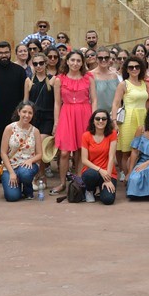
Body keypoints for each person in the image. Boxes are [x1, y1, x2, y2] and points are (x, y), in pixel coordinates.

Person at [50, 50, 96, 194]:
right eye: (73, 60)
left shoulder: (88, 78)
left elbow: (94, 99)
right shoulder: (59, 79)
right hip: (66, 114)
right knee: (64, 152)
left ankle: (78, 181)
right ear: (67, 61)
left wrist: (94, 119)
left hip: (85, 113)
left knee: (81, 150)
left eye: (78, 61)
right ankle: (62, 183)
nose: (75, 63)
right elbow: (57, 103)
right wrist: (56, 122)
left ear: (82, 63)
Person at [0, 42, 28, 181]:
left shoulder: (19, 71)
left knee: (13, 146)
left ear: (10, 53)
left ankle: (13, 174)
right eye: (0, 53)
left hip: (14, 116)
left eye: (6, 52)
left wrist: (20, 113)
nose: (3, 55)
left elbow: (24, 95)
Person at [112, 56, 149, 181]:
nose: (134, 69)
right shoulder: (123, 84)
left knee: (140, 149)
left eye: (137, 67)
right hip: (128, 119)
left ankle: (137, 175)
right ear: (127, 69)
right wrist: (114, 121)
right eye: (131, 67)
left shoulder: (143, 83)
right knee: (127, 150)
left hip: (143, 117)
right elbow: (116, 103)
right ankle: (125, 174)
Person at [0, 102, 44, 202]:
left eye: (30, 113)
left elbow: (39, 154)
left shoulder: (35, 131)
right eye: (24, 112)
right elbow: (3, 153)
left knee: (24, 173)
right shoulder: (9, 128)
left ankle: (28, 189)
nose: (27, 115)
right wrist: (11, 173)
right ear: (18, 112)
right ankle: (18, 185)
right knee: (12, 197)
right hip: (11, 166)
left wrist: (30, 160)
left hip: (28, 166)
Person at [80, 109, 118, 204]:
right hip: (92, 171)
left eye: (104, 119)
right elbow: (84, 160)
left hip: (108, 172)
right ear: (93, 121)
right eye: (97, 119)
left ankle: (101, 190)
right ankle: (89, 190)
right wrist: (100, 170)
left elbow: (111, 157)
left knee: (108, 200)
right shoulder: (86, 136)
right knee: (91, 175)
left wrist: (108, 179)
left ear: (107, 121)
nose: (101, 121)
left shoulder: (112, 134)